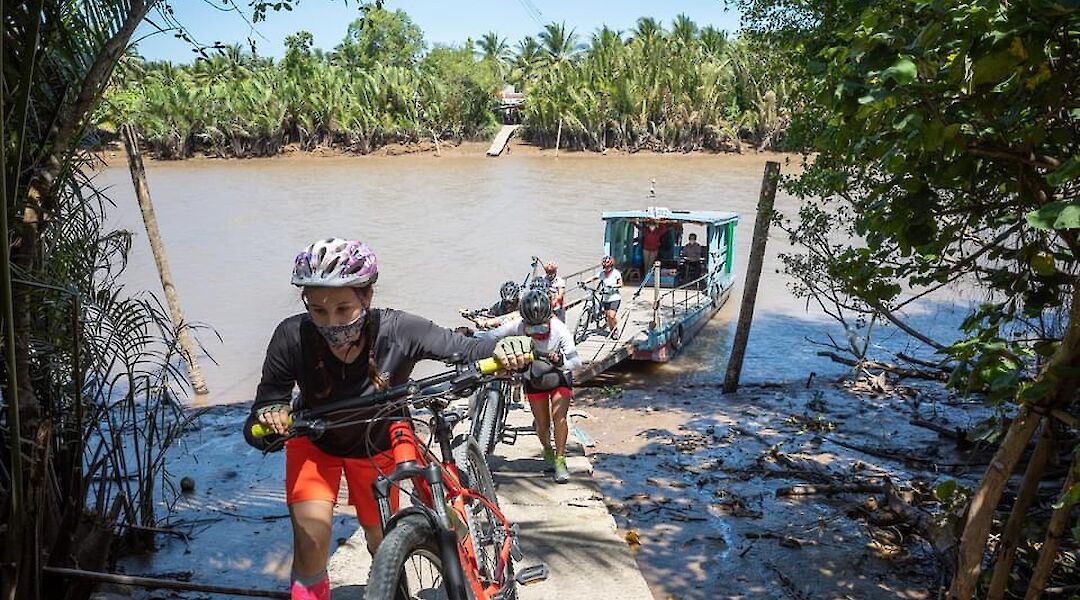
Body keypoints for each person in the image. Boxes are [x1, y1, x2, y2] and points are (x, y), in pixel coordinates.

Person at [244, 238, 531, 600]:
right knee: (311, 540)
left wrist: (506, 347)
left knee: (381, 540)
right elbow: (266, 403)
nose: (331, 323)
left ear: (367, 297)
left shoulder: (399, 330)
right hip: (315, 442)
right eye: (318, 311)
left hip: (378, 441)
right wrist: (270, 417)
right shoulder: (292, 336)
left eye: (343, 308)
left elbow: (464, 348)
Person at [479, 289, 582, 484]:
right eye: (531, 328)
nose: (536, 332)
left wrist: (561, 360)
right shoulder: (517, 326)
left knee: (559, 417)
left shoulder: (559, 329)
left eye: (541, 328)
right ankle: (548, 450)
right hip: (534, 379)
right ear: (524, 321)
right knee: (542, 424)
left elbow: (577, 361)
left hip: (559, 376)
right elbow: (491, 336)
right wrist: (467, 339)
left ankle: (560, 460)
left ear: (549, 319)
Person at [584, 256, 623, 337]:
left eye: (608, 267)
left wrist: (613, 286)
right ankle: (612, 330)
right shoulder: (602, 273)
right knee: (608, 317)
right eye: (605, 267)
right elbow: (593, 278)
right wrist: (584, 282)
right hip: (605, 298)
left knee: (611, 316)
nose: (606, 268)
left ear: (612, 266)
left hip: (614, 297)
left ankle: (615, 330)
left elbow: (621, 284)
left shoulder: (616, 273)